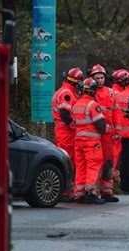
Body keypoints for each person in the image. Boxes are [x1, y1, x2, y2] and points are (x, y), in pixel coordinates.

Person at [72, 78, 107, 204]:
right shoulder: (93, 105)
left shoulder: (76, 105)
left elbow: (74, 122)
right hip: (92, 141)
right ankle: (90, 192)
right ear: (92, 91)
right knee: (94, 164)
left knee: (81, 165)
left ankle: (79, 193)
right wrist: (107, 129)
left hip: (79, 140)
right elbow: (100, 124)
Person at [51, 67, 84, 202]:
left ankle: (67, 190)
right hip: (66, 132)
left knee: (68, 160)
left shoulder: (64, 91)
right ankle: (66, 191)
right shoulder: (67, 93)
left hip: (63, 131)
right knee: (68, 161)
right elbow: (65, 113)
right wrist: (73, 126)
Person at [90, 64, 120, 202]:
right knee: (95, 162)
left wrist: (117, 130)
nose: (100, 80)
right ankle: (92, 191)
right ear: (92, 78)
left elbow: (116, 112)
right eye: (97, 78)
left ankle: (107, 191)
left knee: (109, 161)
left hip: (108, 133)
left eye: (102, 78)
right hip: (94, 133)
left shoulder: (110, 92)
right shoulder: (89, 91)